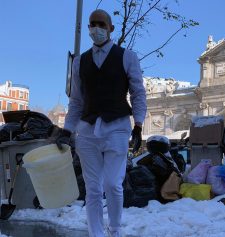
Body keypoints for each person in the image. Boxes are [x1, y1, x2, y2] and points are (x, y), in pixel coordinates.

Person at [56, 9, 147, 237]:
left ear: (111, 28)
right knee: (93, 189)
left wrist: (138, 125)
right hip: (87, 129)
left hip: (116, 126)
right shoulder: (80, 62)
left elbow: (138, 93)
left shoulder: (127, 57)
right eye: (91, 24)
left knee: (112, 184)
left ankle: (114, 230)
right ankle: (95, 233)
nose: (95, 28)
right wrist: (67, 130)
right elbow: (76, 101)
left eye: (101, 24)